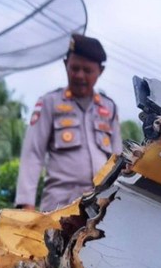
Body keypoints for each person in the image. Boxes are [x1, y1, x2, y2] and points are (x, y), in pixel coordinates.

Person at [15, 34, 122, 211]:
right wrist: (26, 204)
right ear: (66, 65)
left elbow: (117, 158)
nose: (80, 75)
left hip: (100, 203)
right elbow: (32, 154)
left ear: (100, 71)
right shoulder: (50, 102)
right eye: (75, 68)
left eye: (87, 70)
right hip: (59, 200)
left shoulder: (109, 108)